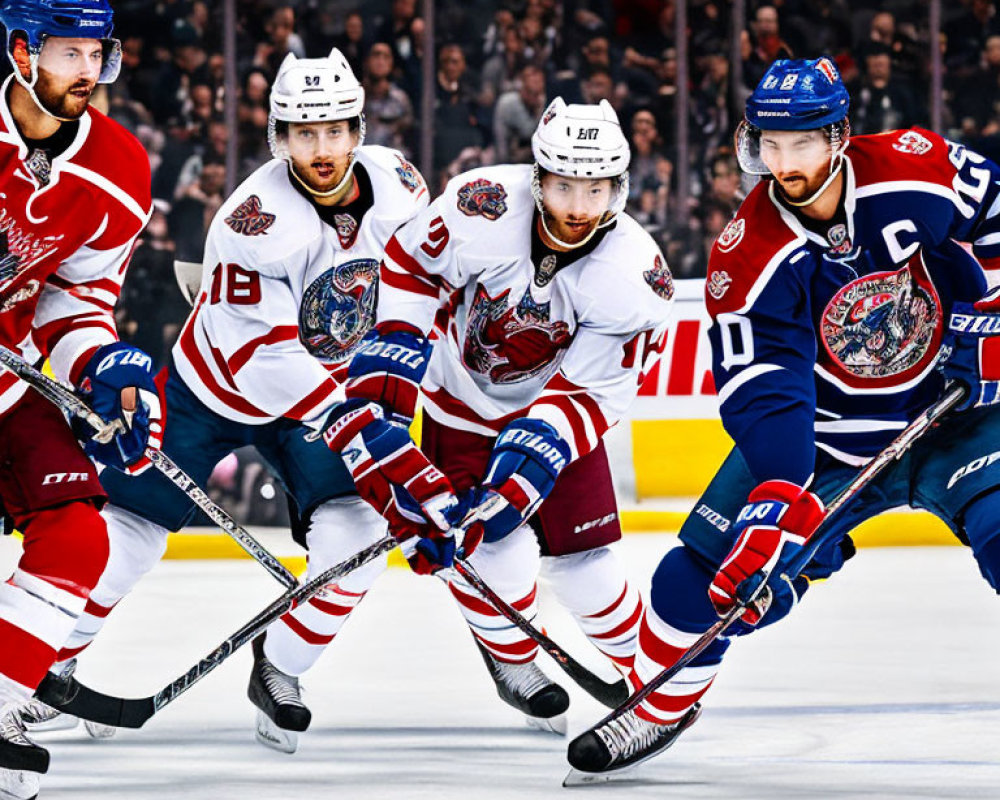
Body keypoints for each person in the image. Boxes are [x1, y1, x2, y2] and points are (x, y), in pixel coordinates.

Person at [567, 56, 1000, 777]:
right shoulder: (748, 252)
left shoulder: (913, 165)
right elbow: (766, 382)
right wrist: (777, 491)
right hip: (827, 442)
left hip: (952, 412)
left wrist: (987, 320)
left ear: (839, 136)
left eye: (800, 144)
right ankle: (661, 704)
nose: (783, 162)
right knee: (700, 578)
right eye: (770, 144)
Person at [20, 48, 444, 757]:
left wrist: (391, 398)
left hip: (325, 395)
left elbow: (416, 289)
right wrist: (362, 425)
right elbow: (265, 357)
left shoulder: (401, 184)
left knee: (362, 536)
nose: (322, 149)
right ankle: (47, 668)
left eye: (335, 131)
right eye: (304, 134)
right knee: (125, 535)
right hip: (212, 389)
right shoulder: (252, 221)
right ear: (279, 136)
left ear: (359, 129)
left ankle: (280, 666)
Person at [327, 97, 675, 733]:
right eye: (565, 184)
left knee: (590, 573)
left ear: (619, 187)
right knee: (492, 556)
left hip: (559, 418)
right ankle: (515, 660)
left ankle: (649, 670)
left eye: (596, 188)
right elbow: (410, 266)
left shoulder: (635, 273)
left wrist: (521, 474)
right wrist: (388, 376)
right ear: (537, 176)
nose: (578, 206)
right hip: (459, 406)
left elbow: (589, 393)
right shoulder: (478, 203)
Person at [0, 1, 158, 797]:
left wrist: (108, 367)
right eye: (70, 52)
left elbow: (78, 298)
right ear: (22, 50)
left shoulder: (121, 166)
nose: (88, 72)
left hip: (11, 380)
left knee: (79, 539)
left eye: (97, 53)